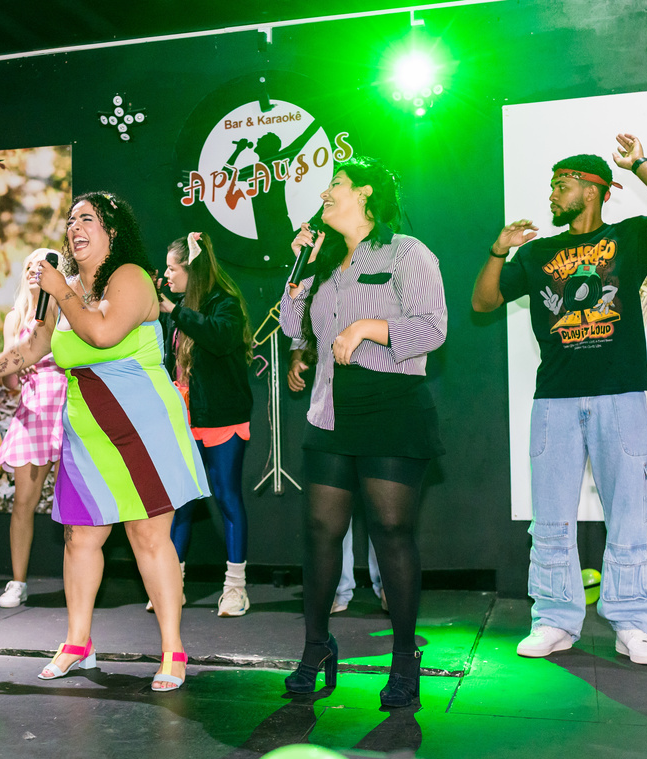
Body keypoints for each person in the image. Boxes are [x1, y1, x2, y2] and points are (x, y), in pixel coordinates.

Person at [0, 192, 209, 692]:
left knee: (147, 537)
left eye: (87, 218)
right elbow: (32, 346)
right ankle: (77, 641)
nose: (74, 227)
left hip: (143, 428)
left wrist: (60, 291)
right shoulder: (62, 289)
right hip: (87, 431)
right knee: (80, 538)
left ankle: (173, 649)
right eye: (70, 220)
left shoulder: (131, 277)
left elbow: (103, 332)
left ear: (113, 230)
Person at [471, 134, 647, 665]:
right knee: (551, 518)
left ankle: (634, 623)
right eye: (552, 185)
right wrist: (499, 250)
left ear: (593, 190)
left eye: (562, 184)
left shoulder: (628, 238)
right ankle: (554, 620)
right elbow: (484, 302)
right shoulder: (537, 253)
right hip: (555, 399)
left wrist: (640, 164)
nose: (553, 193)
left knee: (629, 513)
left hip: (620, 393)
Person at [279, 156, 447, 708]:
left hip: (391, 406)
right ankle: (316, 646)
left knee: (391, 531)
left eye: (336, 184)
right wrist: (301, 268)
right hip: (331, 411)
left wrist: (369, 326)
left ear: (365, 193)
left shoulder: (406, 252)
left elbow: (434, 328)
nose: (324, 193)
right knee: (320, 532)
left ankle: (404, 658)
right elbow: (291, 326)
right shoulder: (324, 260)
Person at [158, 231, 254, 617]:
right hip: (184, 419)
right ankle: (172, 584)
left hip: (221, 417)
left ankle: (235, 588)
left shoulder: (223, 303)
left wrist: (174, 311)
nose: (167, 275)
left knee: (227, 496)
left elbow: (219, 337)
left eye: (172, 268)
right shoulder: (177, 308)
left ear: (191, 269)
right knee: (180, 502)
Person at [0, 249, 68, 608]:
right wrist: (14, 367)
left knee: (70, 504)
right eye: (29, 266)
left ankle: (76, 580)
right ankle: (17, 582)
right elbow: (8, 381)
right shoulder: (16, 317)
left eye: (43, 266)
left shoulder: (66, 310)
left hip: (67, 408)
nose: (35, 270)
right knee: (24, 501)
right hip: (33, 412)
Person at [288, 348, 385, 614]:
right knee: (331, 515)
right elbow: (301, 336)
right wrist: (296, 359)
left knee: (383, 510)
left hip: (378, 405)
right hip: (331, 412)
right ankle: (336, 588)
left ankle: (387, 585)